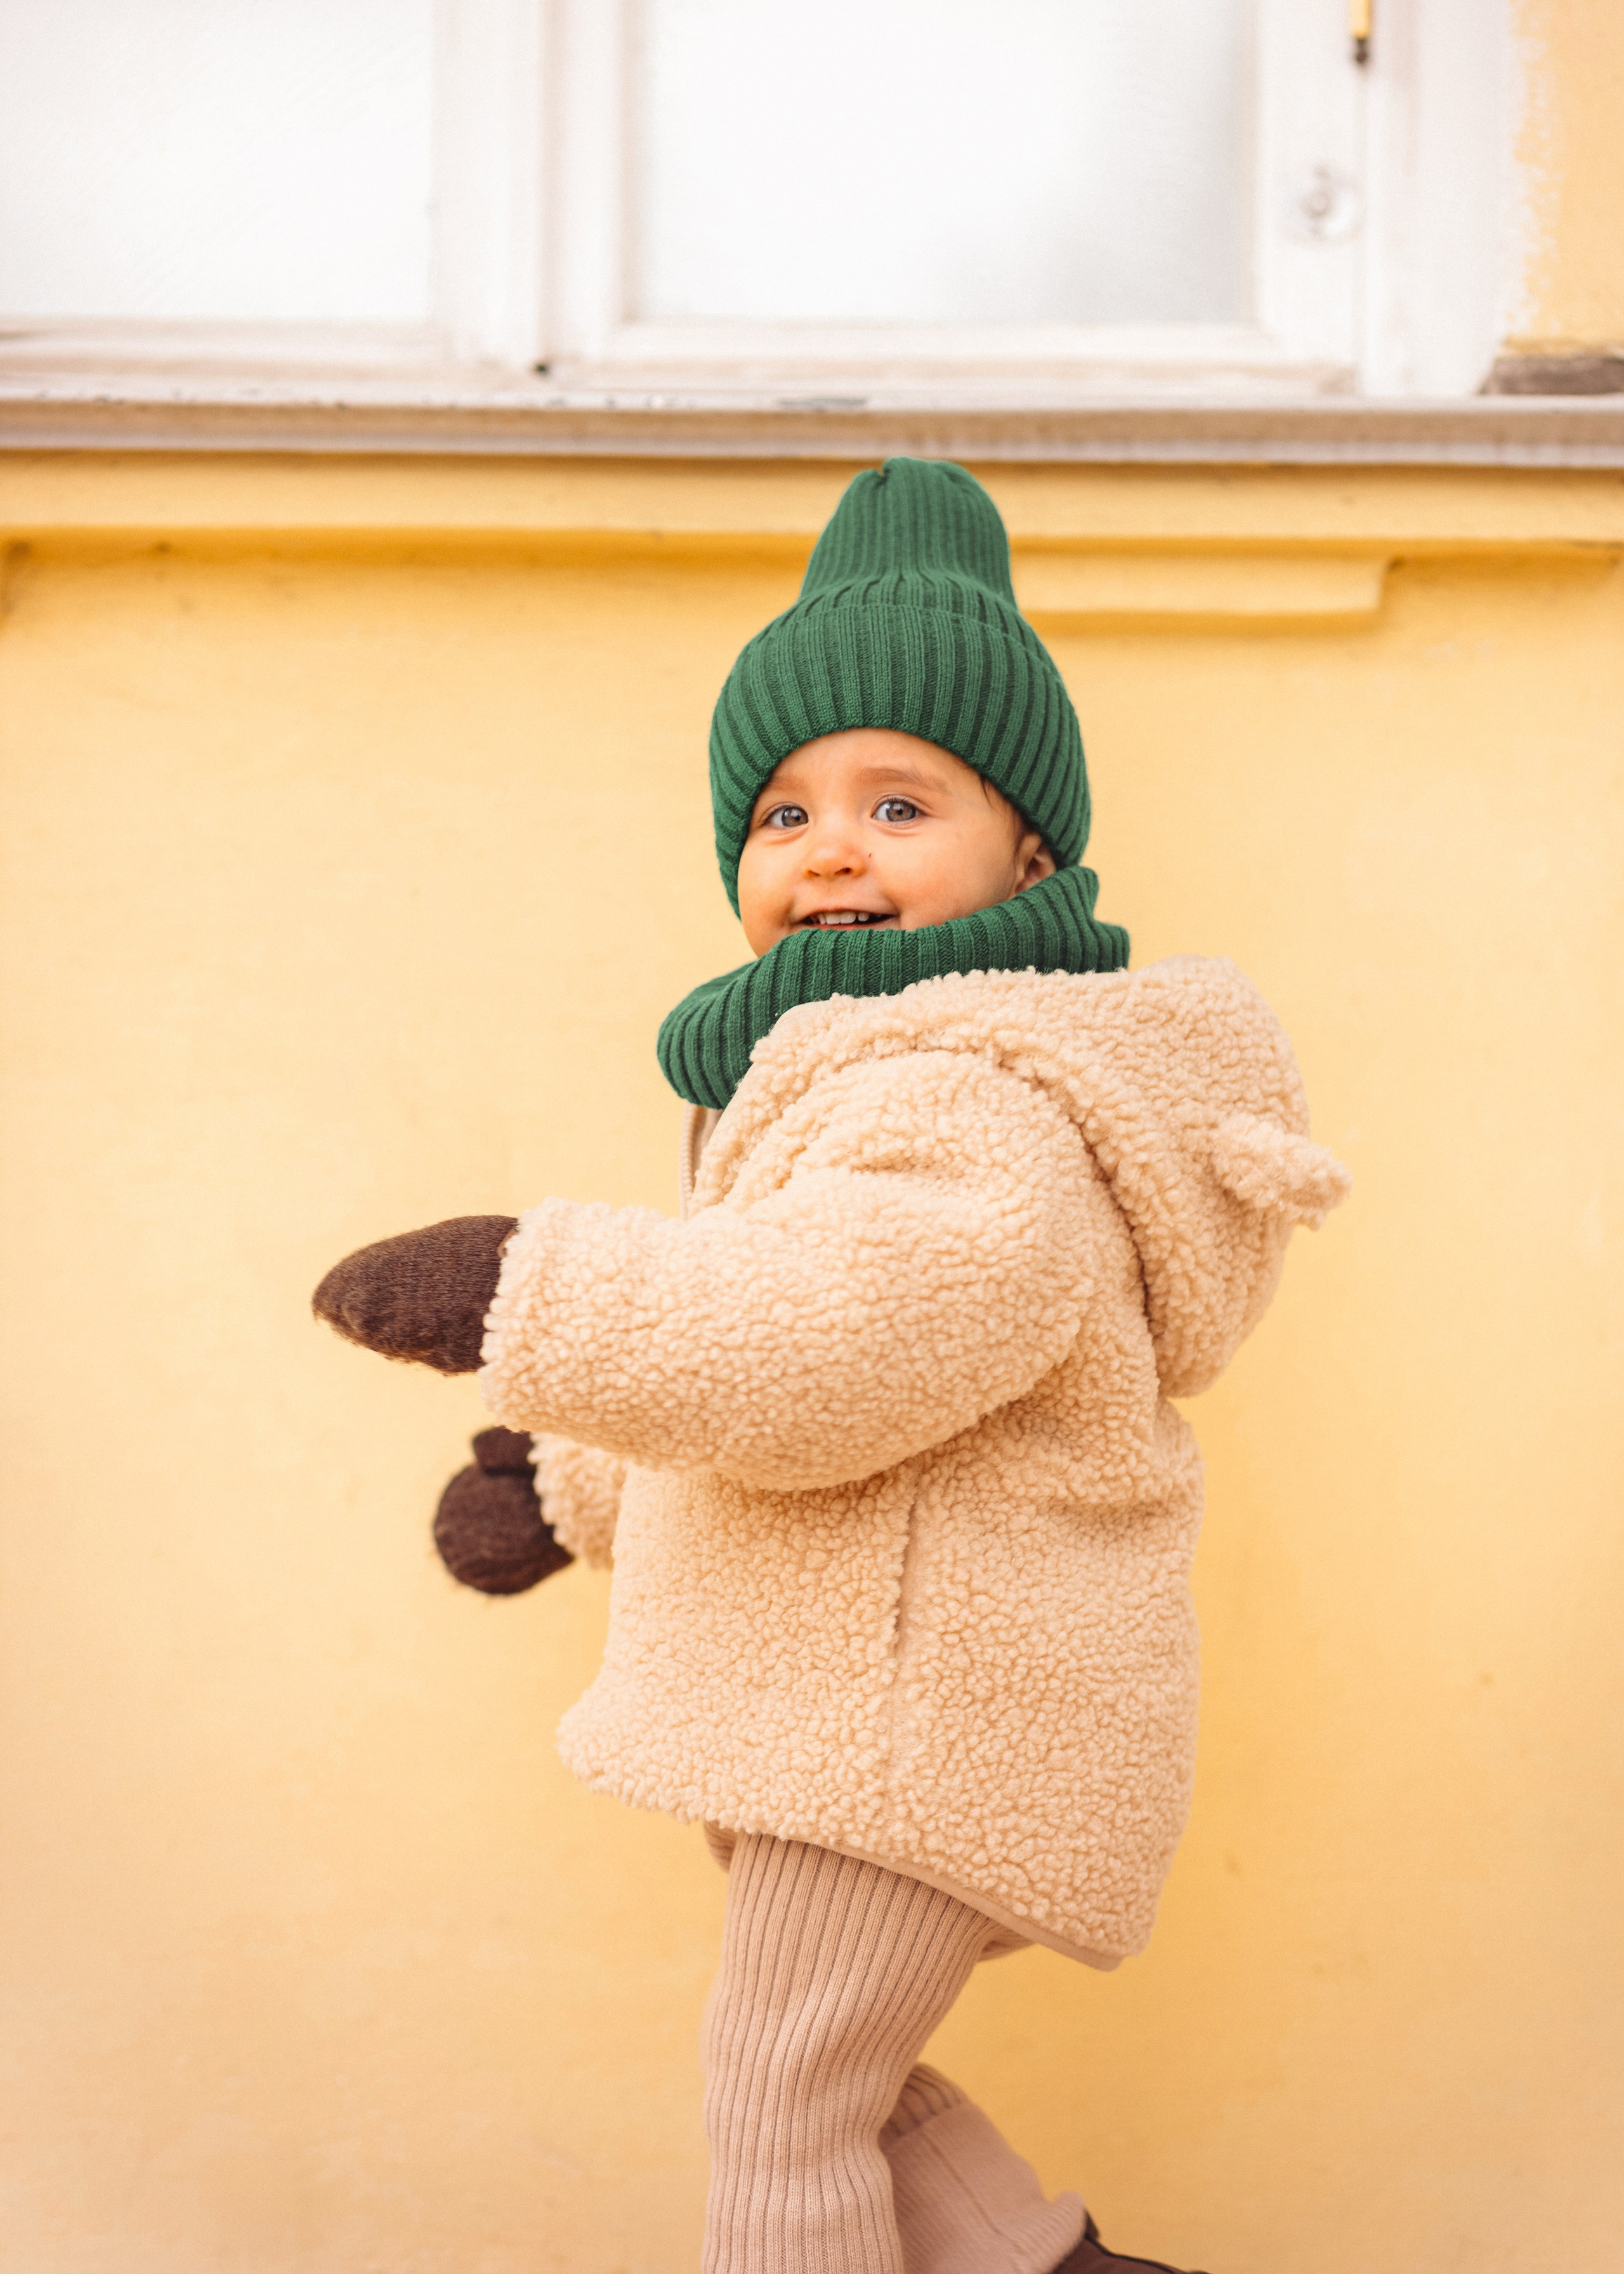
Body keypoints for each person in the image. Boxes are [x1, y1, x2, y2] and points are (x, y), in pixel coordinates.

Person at [315, 459, 1349, 2274]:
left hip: (921, 1714)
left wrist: (528, 1290)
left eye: (898, 799)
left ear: (1032, 854)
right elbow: (752, 1345)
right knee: (836, 2084)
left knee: (780, 2104)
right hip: (860, 1704)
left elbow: (842, 1337)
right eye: (782, 812)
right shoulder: (829, 1088)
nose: (829, 847)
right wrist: (572, 1484)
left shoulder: (977, 1095)